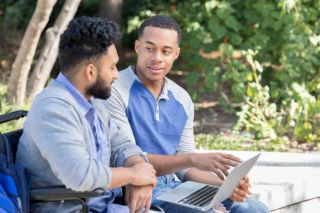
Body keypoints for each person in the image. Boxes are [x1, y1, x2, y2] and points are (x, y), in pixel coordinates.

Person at [105, 15, 269, 213]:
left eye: (166, 51)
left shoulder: (182, 99)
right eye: (150, 48)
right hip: (137, 187)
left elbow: (185, 169)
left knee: (253, 209)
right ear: (138, 47)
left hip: (173, 187)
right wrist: (191, 159)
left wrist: (226, 187)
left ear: (176, 53)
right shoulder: (115, 89)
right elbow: (126, 155)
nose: (157, 57)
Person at [16, 16, 157, 213]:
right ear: (90, 72)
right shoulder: (52, 109)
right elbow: (80, 175)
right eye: (112, 67)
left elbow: (122, 144)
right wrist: (132, 175)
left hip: (103, 206)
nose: (116, 74)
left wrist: (138, 170)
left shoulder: (93, 102)